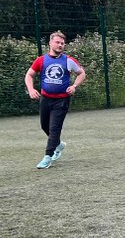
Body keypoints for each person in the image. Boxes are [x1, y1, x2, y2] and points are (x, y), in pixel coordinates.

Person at [25, 31, 86, 170]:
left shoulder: (69, 60)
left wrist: (74, 86)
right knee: (44, 126)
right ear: (50, 43)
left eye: (62, 43)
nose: (60, 45)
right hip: (45, 99)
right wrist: (31, 89)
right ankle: (58, 144)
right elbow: (29, 75)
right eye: (57, 42)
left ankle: (48, 156)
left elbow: (81, 73)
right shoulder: (41, 60)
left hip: (62, 101)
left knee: (54, 128)